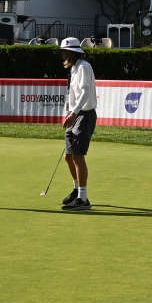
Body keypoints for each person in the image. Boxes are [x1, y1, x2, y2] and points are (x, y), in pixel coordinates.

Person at [59, 38, 97, 211]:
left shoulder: (83, 67)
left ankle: (83, 199)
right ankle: (77, 190)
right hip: (76, 115)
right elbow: (72, 94)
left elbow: (85, 92)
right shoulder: (74, 68)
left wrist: (74, 113)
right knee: (69, 155)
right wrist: (69, 113)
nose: (63, 54)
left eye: (65, 51)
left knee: (78, 156)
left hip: (85, 115)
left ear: (73, 52)